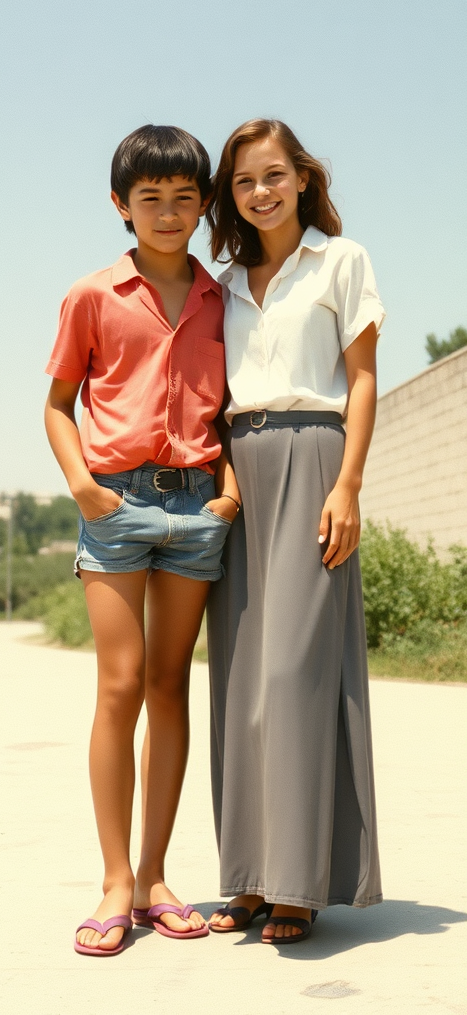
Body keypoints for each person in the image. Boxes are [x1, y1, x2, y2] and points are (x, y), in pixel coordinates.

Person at [45, 124, 240, 955]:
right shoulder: (92, 295)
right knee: (119, 687)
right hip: (116, 506)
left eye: (184, 198)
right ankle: (115, 882)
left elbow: (237, 405)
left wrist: (228, 493)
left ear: (203, 205)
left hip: (199, 508)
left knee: (170, 687)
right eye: (150, 199)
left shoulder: (224, 299)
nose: (168, 213)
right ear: (121, 206)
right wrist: (85, 488)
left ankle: (158, 876)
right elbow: (58, 405)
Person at [205, 118, 385, 944]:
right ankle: (247, 873)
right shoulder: (225, 279)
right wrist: (225, 477)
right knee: (241, 679)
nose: (261, 192)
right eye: (244, 181)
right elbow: (214, 398)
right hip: (243, 471)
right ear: (230, 195)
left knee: (295, 673)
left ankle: (300, 881)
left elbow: (362, 378)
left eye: (274, 175)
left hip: (315, 461)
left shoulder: (340, 262)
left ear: (303, 178)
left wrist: (348, 484)